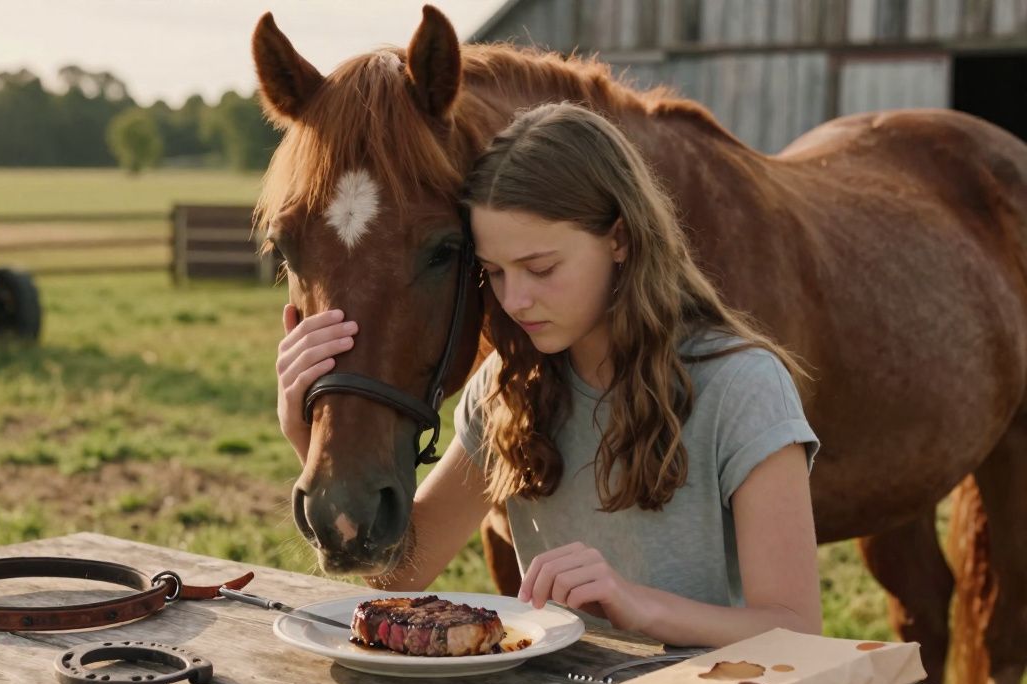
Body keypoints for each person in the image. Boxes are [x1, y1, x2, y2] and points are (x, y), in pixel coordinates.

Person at [274, 102, 821, 648]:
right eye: (494, 273)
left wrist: (638, 605)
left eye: (541, 268)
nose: (516, 300)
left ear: (621, 239)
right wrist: (308, 438)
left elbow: (798, 629)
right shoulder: (507, 388)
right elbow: (400, 573)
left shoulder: (742, 385)